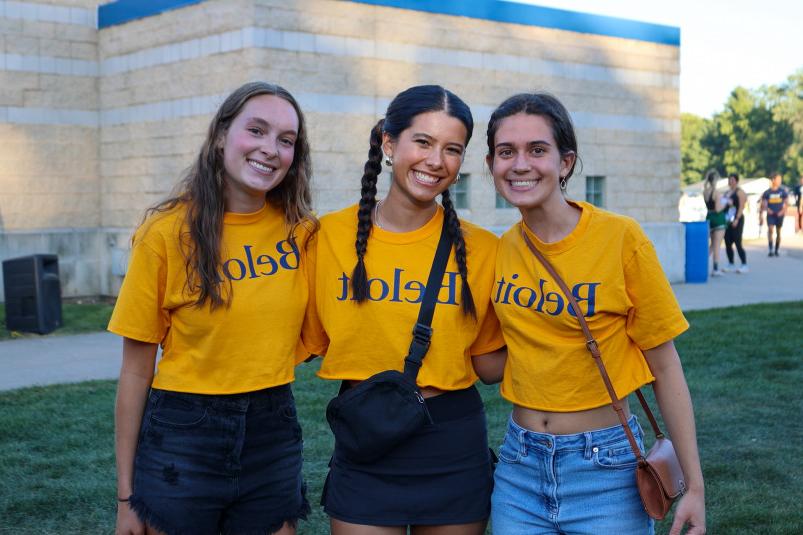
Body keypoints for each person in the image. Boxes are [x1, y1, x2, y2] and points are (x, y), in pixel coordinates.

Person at [482, 93, 706, 535]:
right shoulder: (500, 250)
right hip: (519, 465)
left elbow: (665, 365)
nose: (520, 164)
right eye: (506, 152)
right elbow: (492, 364)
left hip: (607, 468)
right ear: (491, 164)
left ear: (566, 163)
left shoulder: (620, 238)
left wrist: (695, 487)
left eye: (537, 150)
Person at [110, 82, 316, 535]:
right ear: (222, 135)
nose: (270, 149)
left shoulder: (302, 234)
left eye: (286, 140)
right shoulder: (164, 233)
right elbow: (135, 372)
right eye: (256, 130)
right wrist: (127, 497)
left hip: (272, 425)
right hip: (184, 431)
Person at [303, 85, 506, 535]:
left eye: (452, 149)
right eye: (423, 142)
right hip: (366, 437)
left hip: (453, 441)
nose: (436, 161)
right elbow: (292, 336)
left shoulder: (484, 251)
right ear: (389, 144)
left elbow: (489, 364)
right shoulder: (326, 237)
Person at [722, 173, 748, 273]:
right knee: (728, 242)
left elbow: (741, 207)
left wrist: (737, 219)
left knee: (737, 242)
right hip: (727, 220)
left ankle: (744, 264)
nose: (730, 181)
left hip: (737, 219)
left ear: (736, 181)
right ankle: (731, 263)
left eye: (732, 180)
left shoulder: (740, 192)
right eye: (729, 180)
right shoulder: (726, 193)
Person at [759, 172, 790, 256]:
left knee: (778, 232)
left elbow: (787, 203)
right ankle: (770, 249)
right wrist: (767, 210)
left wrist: (782, 211)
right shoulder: (767, 192)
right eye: (778, 179)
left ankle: (776, 249)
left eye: (780, 179)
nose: (780, 181)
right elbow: (764, 204)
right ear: (773, 180)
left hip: (779, 214)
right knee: (770, 229)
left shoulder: (782, 191)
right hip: (771, 215)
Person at [703, 169, 726, 275]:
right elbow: (718, 209)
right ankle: (715, 269)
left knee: (712, 245)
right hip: (718, 219)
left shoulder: (705, 192)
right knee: (717, 245)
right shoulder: (717, 193)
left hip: (709, 217)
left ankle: (702, 263)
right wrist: (726, 204)